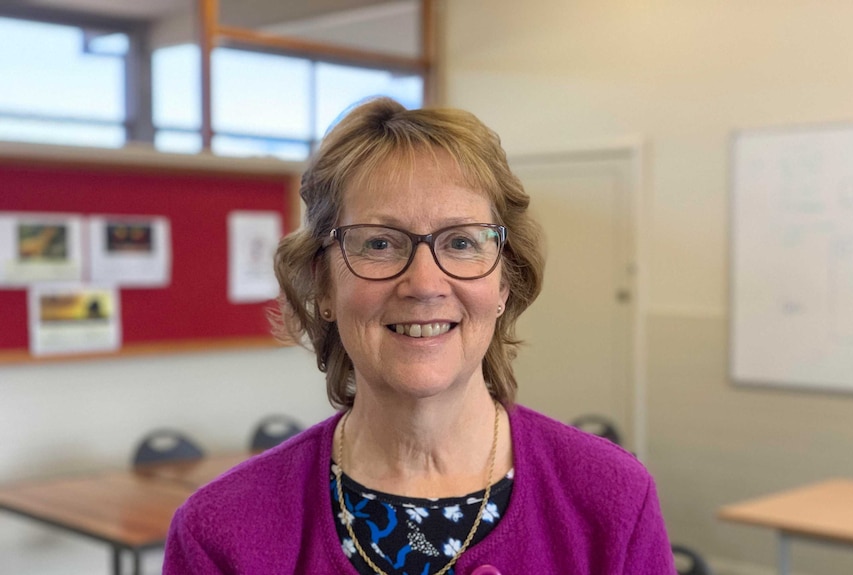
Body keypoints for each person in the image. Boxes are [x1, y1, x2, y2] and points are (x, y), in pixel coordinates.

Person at [163, 97, 675, 574]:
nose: (425, 284)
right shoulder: (221, 534)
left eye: (460, 242)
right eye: (380, 243)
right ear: (322, 284)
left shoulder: (612, 500)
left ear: (504, 281)